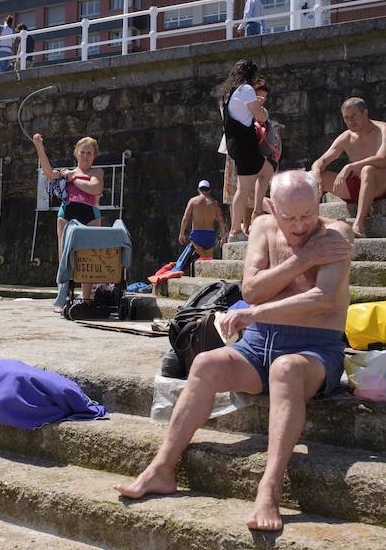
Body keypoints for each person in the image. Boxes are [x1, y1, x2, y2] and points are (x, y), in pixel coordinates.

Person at [114, 170, 354, 532]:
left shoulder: (336, 234)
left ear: (319, 200)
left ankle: (269, 488)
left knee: (286, 370)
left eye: (308, 214)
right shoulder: (261, 227)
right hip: (258, 346)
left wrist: (255, 314)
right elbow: (252, 290)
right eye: (289, 217)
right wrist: (303, 260)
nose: (301, 225)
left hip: (314, 350)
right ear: (271, 207)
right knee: (207, 364)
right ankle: (161, 468)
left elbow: (322, 300)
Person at [32, 133, 104, 304]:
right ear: (76, 153)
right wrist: (39, 148)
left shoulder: (96, 172)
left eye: (89, 153)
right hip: (67, 214)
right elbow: (49, 173)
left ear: (94, 156)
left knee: (89, 257)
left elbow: (94, 188)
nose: (85, 156)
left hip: (90, 215)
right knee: (64, 256)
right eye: (82, 152)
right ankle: (62, 296)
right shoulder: (67, 173)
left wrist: (73, 178)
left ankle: (86, 299)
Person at [311, 98, 386, 238]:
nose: (350, 121)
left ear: (365, 113)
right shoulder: (346, 137)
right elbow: (321, 161)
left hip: (383, 182)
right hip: (358, 185)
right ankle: (310, 225)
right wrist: (316, 174)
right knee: (313, 176)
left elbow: (383, 159)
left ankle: (358, 224)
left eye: (354, 116)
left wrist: (350, 166)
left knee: (367, 170)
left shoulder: (383, 129)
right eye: (346, 118)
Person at [218, 60, 274, 241]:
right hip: (245, 143)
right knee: (243, 190)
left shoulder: (226, 93)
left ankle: (256, 211)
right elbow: (261, 117)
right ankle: (235, 231)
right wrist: (261, 106)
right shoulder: (246, 90)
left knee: (266, 170)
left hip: (233, 143)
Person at [178, 180, 226, 260]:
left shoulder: (193, 201)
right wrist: (223, 237)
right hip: (210, 235)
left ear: (198, 190)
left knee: (200, 260)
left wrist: (181, 233)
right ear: (209, 190)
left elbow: (185, 218)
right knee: (209, 261)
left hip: (197, 234)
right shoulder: (214, 203)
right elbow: (221, 221)